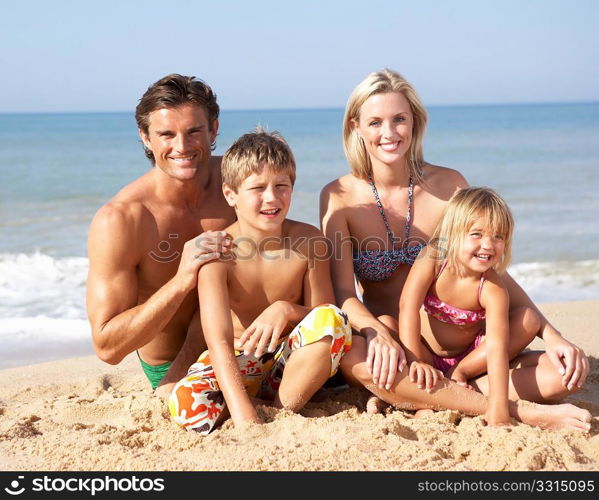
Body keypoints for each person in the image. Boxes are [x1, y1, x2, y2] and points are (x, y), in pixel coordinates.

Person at [319, 69, 591, 431]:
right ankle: (520, 412)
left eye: (399, 119)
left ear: (415, 122)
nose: (389, 133)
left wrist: (552, 334)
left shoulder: (449, 185)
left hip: (466, 341)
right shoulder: (338, 197)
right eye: (375, 122)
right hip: (396, 346)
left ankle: (430, 395)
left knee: (565, 375)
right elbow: (342, 293)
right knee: (354, 356)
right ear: (355, 126)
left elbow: (489, 268)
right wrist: (374, 331)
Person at [168, 128, 352, 434]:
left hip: (288, 361)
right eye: (257, 188)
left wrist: (286, 309)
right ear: (231, 194)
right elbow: (218, 340)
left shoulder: (309, 241)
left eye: (282, 186)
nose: (272, 197)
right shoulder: (217, 251)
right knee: (184, 403)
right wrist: (243, 416)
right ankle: (252, 404)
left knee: (333, 321)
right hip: (238, 362)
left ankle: (281, 408)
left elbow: (326, 313)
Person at [87, 74, 235, 395]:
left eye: (193, 131)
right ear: (145, 137)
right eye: (166, 134)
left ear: (214, 129)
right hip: (171, 373)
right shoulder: (122, 220)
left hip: (244, 346)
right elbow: (108, 347)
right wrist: (182, 280)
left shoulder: (240, 182)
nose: (181, 147)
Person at [400, 187, 540, 426]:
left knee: (529, 319)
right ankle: (423, 398)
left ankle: (458, 377)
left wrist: (498, 410)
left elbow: (496, 347)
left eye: (498, 237)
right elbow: (407, 308)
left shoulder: (492, 287)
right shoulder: (433, 259)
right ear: (452, 234)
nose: (488, 245)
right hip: (424, 349)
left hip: (471, 357)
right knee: (385, 326)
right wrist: (416, 361)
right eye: (476, 234)